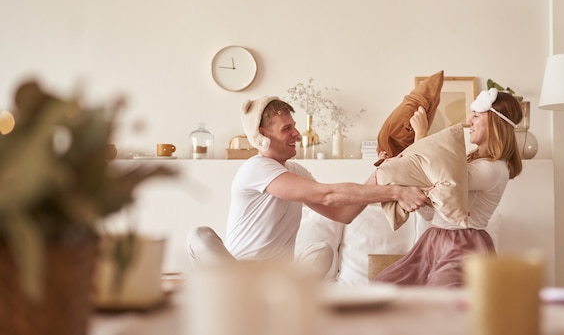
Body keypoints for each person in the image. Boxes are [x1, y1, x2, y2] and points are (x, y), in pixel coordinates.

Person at [188, 96, 429, 270]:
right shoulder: (256, 168)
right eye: (287, 128)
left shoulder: (295, 170)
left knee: (322, 252)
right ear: (263, 135)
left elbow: (342, 212)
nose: (297, 134)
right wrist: (395, 192)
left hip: (278, 282)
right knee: (199, 235)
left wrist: (379, 175)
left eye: (294, 126)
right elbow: (328, 195)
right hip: (240, 276)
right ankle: (236, 291)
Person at [372, 88, 523, 287]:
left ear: (495, 123)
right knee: (385, 286)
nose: (470, 121)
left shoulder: (492, 169)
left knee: (443, 292)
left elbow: (429, 174)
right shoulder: (469, 164)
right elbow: (429, 212)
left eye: (476, 116)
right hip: (435, 240)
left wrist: (421, 135)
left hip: (463, 245)